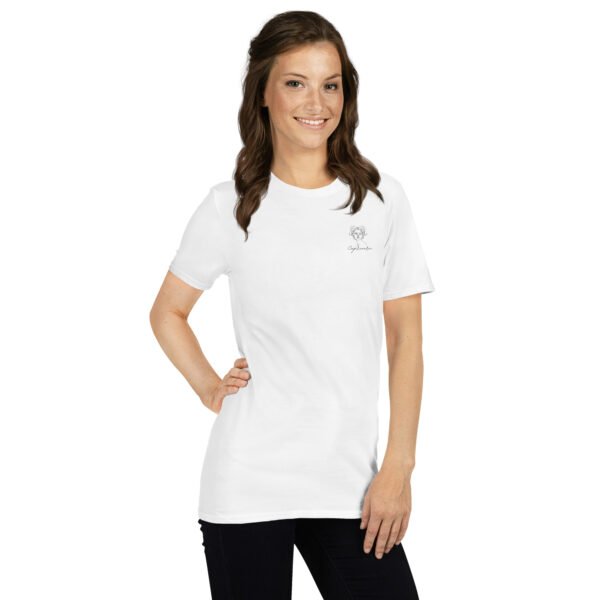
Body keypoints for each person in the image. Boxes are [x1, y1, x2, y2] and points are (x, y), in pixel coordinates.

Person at [149, 10, 434, 599]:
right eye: (296, 82)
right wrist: (209, 387)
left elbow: (406, 337)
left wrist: (399, 467)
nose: (316, 102)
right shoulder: (230, 205)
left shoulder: (380, 201)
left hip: (353, 487)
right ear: (263, 93)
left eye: (331, 84)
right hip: (247, 482)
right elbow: (167, 312)